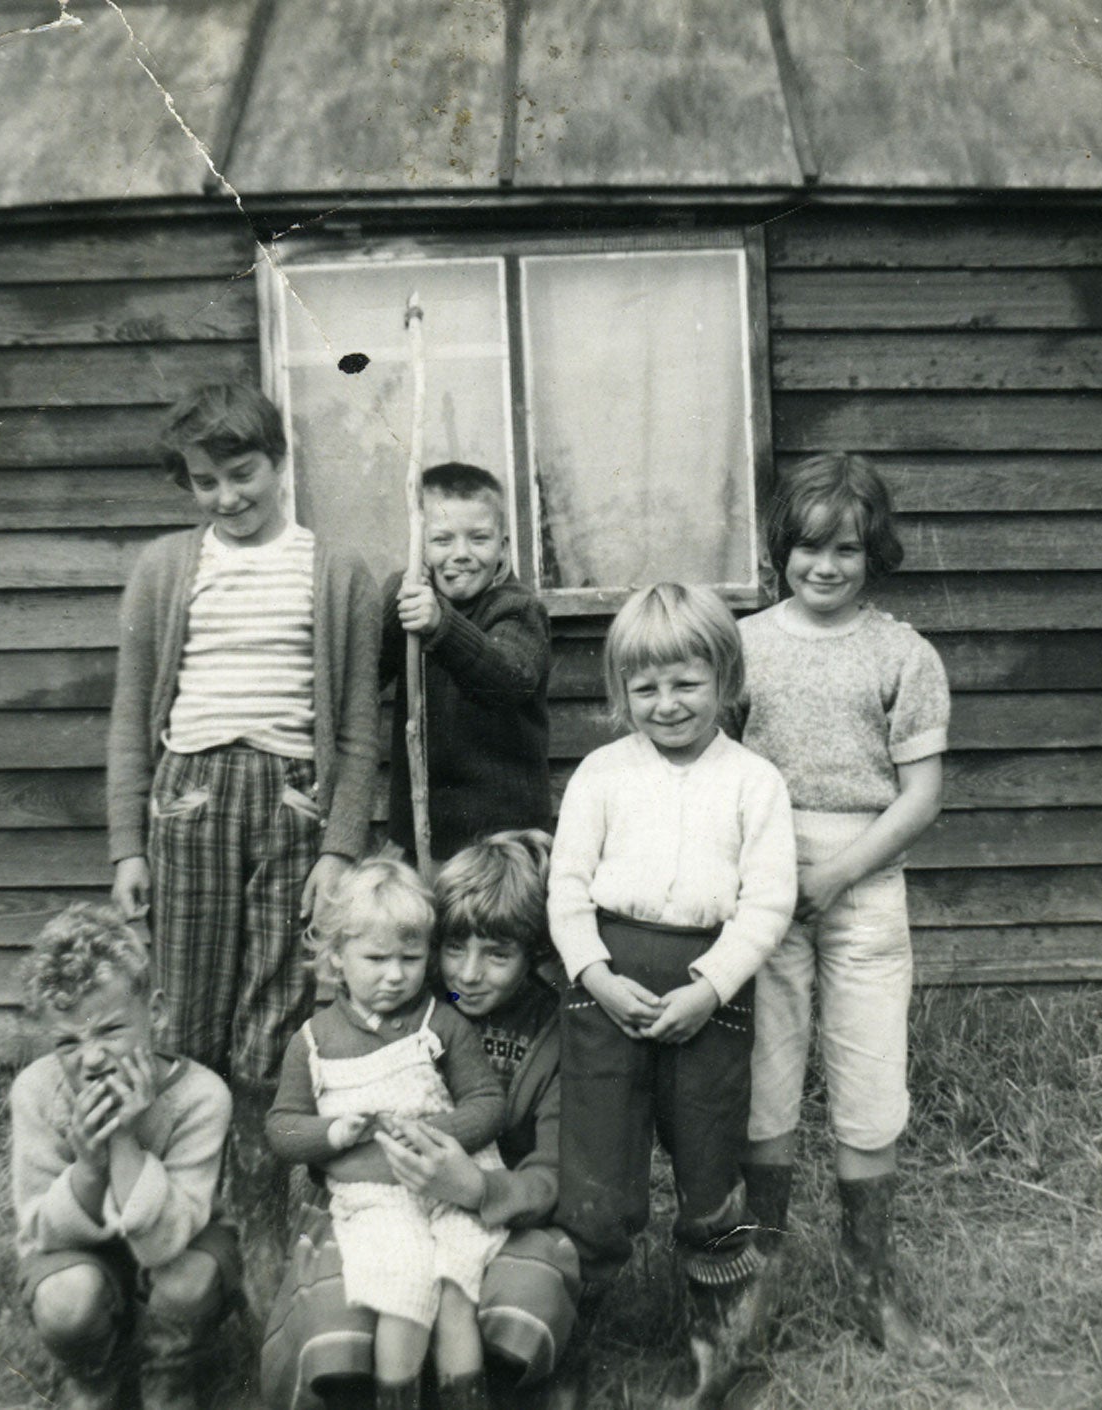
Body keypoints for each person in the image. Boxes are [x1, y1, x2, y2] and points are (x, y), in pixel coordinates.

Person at [547, 582, 796, 1406]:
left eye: (686, 683)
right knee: (596, 1184)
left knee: (709, 1173)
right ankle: (564, 1349)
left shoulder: (753, 781)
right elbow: (568, 889)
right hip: (606, 991)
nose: (666, 704)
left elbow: (767, 903)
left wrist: (711, 985)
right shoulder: (601, 774)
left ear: (724, 679)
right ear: (622, 692)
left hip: (708, 997)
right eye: (644, 688)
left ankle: (720, 1353)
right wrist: (594, 976)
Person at [105, 382, 383, 1095]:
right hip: (188, 800)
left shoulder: (337, 572)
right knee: (187, 1012)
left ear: (279, 461)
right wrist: (128, 847)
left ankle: (260, 1200)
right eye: (205, 482)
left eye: (241, 475)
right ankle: (191, 1194)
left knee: (277, 1010)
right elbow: (131, 718)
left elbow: (356, 730)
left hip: (293, 802)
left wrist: (340, 848)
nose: (226, 497)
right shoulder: (165, 568)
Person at [737, 452, 952, 1362]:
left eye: (848, 552)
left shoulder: (904, 653)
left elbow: (920, 797)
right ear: (784, 546)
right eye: (810, 549)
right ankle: (754, 1284)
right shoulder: (740, 644)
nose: (825, 568)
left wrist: (836, 876)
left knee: (870, 1084)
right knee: (764, 1079)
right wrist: (769, 878)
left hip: (863, 884)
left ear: (875, 556)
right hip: (760, 885)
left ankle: (872, 1283)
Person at [260, 830, 580, 1407]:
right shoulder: (402, 994)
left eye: (498, 955)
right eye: (453, 949)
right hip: (375, 1203)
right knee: (348, 1316)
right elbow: (308, 1114)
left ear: (534, 955)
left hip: (495, 1207)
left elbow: (553, 1169)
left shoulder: (554, 1034)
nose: (468, 974)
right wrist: (339, 1140)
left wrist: (478, 1187)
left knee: (513, 1295)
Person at [10, 904, 240, 1410]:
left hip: (176, 1247)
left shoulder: (201, 1097)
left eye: (110, 1031)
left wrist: (123, 1140)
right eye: (68, 1042)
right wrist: (89, 1167)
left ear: (154, 1012)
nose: (91, 1059)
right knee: (66, 1301)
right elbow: (40, 1232)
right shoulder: (37, 1091)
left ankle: (168, 1379)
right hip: (79, 1256)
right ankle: (91, 1378)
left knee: (188, 1282)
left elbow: (164, 1244)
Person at [381, 461, 553, 869]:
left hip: (503, 843)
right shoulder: (413, 598)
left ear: (503, 546)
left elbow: (508, 680)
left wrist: (442, 624)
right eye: (441, 540)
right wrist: (396, 601)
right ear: (419, 548)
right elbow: (370, 674)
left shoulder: (517, 608)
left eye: (479, 539)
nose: (461, 555)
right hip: (423, 838)